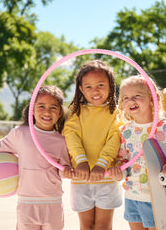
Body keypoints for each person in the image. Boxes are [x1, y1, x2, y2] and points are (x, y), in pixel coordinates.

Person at [0, 85, 74, 230]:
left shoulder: (61, 141)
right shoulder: (21, 134)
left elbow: (63, 169)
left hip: (52, 202)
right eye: (41, 106)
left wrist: (66, 172)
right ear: (32, 110)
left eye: (53, 107)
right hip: (27, 202)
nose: (47, 111)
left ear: (60, 113)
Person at [108, 75, 166, 230]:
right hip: (132, 196)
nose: (131, 100)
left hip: (157, 197)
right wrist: (120, 171)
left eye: (137, 96)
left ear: (152, 98)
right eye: (125, 97)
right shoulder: (125, 131)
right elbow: (123, 159)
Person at [63, 60, 123, 230]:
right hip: (81, 177)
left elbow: (115, 138)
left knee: (103, 226)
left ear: (111, 86)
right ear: (80, 89)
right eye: (88, 86)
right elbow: (71, 135)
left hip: (106, 177)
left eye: (100, 85)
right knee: (87, 225)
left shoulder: (116, 112)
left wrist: (101, 164)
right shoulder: (76, 110)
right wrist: (81, 161)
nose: (95, 90)